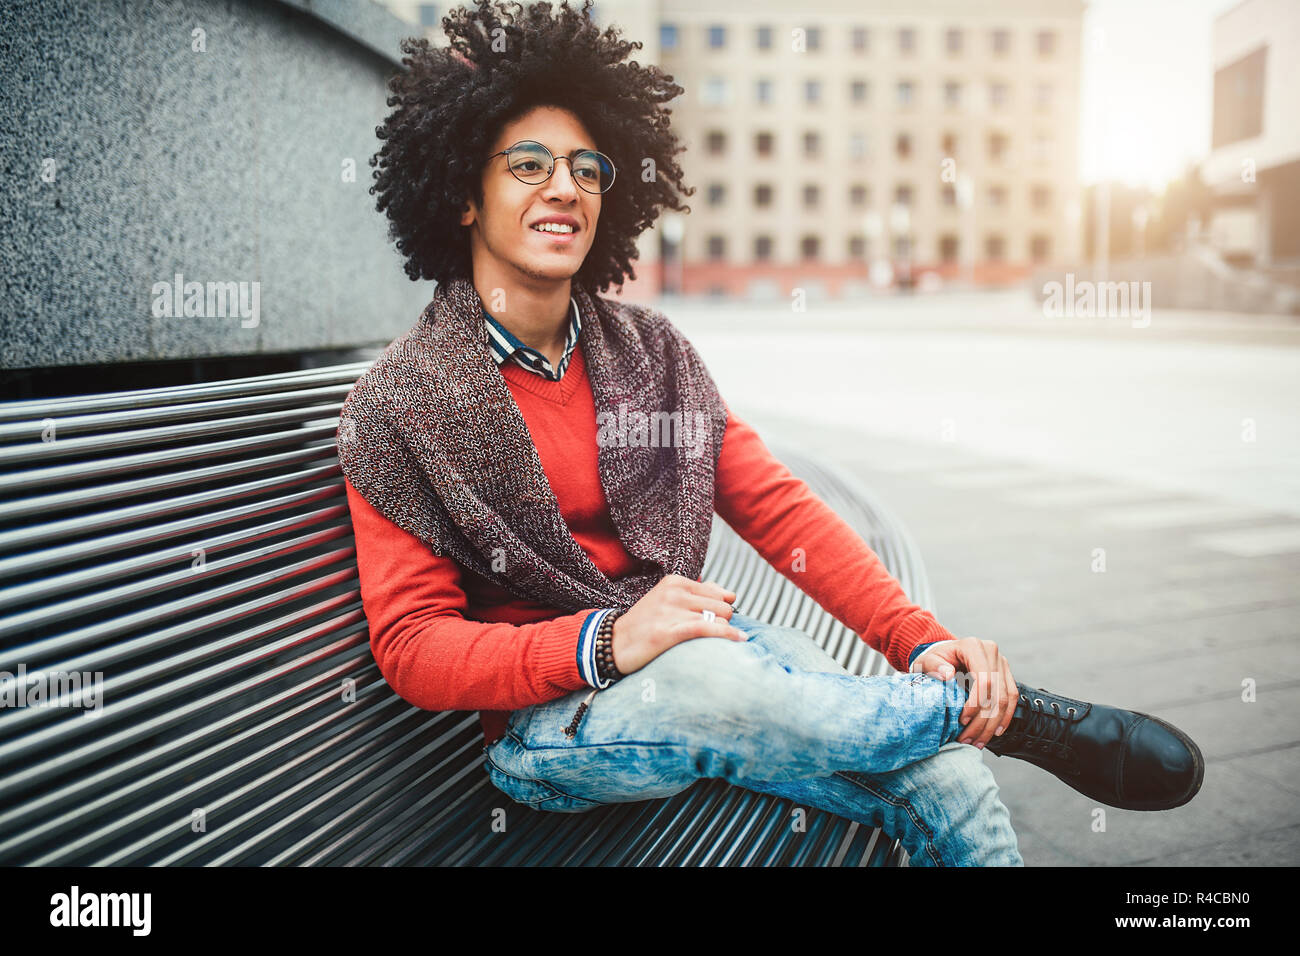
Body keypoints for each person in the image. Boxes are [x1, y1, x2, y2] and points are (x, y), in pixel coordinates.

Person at [337, 0, 1203, 866]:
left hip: (717, 667)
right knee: (725, 680)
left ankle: (965, 715)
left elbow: (778, 510)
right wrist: (603, 641)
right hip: (553, 729)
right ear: (460, 193)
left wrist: (921, 640)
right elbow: (413, 647)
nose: (563, 187)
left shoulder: (650, 352)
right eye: (527, 164)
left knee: (952, 782)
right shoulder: (403, 404)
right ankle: (1000, 712)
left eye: (585, 168)